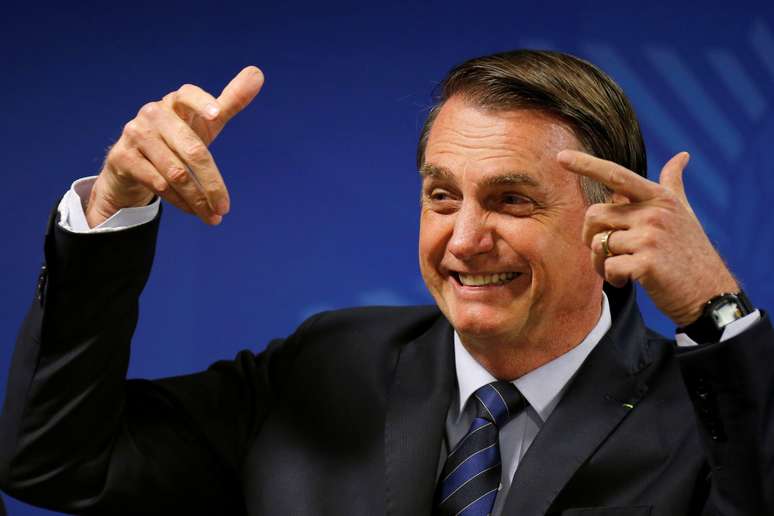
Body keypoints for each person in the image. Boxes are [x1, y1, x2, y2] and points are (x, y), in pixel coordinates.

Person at [0, 50, 771, 515]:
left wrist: (717, 315)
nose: (464, 239)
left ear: (610, 220)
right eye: (442, 196)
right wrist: (111, 210)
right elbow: (56, 462)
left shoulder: (712, 414)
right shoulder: (324, 368)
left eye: (510, 200)